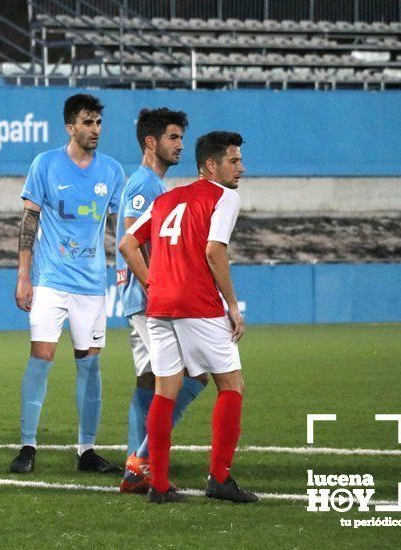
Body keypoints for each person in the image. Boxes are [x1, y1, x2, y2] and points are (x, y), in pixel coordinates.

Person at [119, 131, 258, 504]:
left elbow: (127, 244)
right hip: (197, 303)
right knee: (231, 384)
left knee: (166, 391)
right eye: (234, 161)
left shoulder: (167, 198)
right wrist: (232, 305)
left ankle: (159, 486)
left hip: (160, 305)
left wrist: (153, 283)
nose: (241, 168)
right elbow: (214, 251)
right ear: (211, 165)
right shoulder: (225, 196)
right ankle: (220, 478)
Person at [10, 94, 125, 474]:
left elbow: (124, 228)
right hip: (49, 281)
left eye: (98, 123)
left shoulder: (111, 171)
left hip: (91, 286)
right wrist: (24, 276)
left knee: (90, 367)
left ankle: (86, 450)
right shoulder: (45, 164)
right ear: (70, 127)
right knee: (40, 359)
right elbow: (29, 222)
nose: (94, 130)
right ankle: (27, 446)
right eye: (87, 123)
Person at [115, 108, 209, 494]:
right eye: (173, 137)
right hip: (150, 301)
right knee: (196, 373)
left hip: (140, 300)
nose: (180, 145)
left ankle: (135, 466)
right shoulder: (144, 186)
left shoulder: (151, 185)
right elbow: (130, 242)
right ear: (151, 142)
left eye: (181, 138)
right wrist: (156, 286)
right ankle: (142, 461)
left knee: (149, 381)